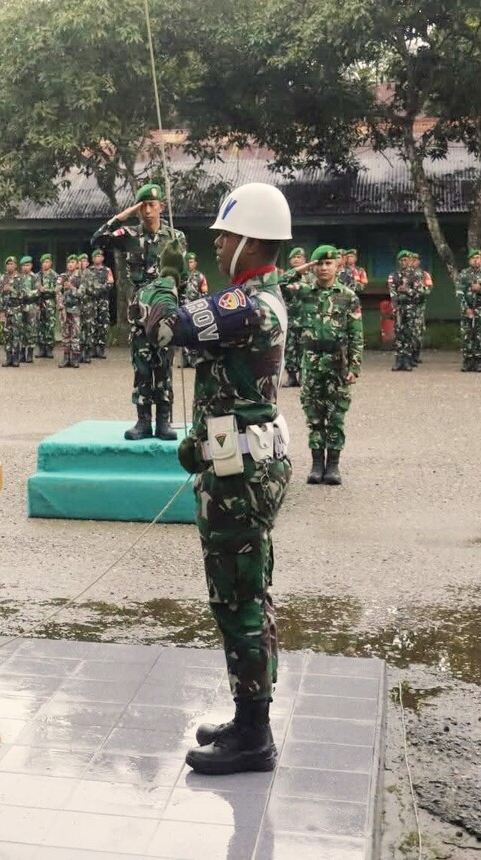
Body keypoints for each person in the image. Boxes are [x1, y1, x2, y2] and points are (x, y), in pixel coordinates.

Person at [137, 182, 292, 775]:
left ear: (250, 240)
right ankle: (250, 715)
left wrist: (159, 275)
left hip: (242, 476)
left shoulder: (245, 304)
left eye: (225, 235)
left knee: (237, 598)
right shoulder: (255, 300)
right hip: (242, 461)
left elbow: (165, 328)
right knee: (249, 592)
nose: (219, 245)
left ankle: (254, 736)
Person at [93, 183, 186, 441]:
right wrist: (124, 215)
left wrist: (184, 315)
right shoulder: (129, 236)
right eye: (142, 205)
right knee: (142, 367)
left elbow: (184, 278)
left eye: (151, 205)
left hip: (165, 311)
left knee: (164, 366)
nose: (147, 211)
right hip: (140, 313)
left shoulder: (176, 238)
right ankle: (143, 422)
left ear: (161, 207)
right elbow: (98, 240)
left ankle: (164, 421)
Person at [299, 245, 363, 485]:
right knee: (314, 415)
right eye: (319, 264)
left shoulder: (348, 296)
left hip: (338, 363)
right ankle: (317, 464)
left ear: (337, 266)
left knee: (336, 415)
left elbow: (356, 334)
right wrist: (303, 268)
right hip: (312, 362)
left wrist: (354, 368)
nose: (324, 268)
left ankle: (333, 465)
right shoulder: (305, 292)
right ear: (313, 267)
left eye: (328, 263)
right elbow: (279, 283)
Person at [279, 247, 314, 387]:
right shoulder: (285, 276)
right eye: (293, 257)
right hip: (290, 319)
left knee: (305, 348)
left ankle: (304, 376)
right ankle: (292, 376)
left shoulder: (312, 277)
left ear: (305, 260)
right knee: (289, 349)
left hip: (306, 319)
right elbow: (279, 283)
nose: (296, 259)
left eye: (299, 257)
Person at [387, 250, 425, 372]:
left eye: (406, 260)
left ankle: (407, 360)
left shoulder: (416, 275)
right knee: (399, 335)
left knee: (409, 334)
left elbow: (421, 293)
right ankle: (399, 361)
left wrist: (408, 291)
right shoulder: (394, 275)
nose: (403, 262)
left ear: (410, 261)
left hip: (411, 308)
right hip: (399, 308)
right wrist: (395, 307)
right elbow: (392, 293)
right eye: (401, 260)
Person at [456, 249, 481, 372]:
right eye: (473, 258)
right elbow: (459, 293)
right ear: (469, 261)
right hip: (468, 308)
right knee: (467, 335)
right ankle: (467, 360)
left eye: (478, 258)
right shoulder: (463, 274)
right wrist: (466, 308)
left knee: (480, 335)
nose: (476, 260)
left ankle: (478, 360)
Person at [179, 253, 210, 368]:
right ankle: (184, 360)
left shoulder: (200, 276)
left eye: (191, 261)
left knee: (194, 333)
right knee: (182, 333)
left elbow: (204, 293)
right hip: (182, 308)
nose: (189, 264)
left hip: (194, 309)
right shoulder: (182, 276)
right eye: (187, 261)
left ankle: (194, 359)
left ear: (195, 263)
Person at [85, 248, 114, 359]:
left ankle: (101, 348)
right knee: (92, 323)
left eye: (100, 256)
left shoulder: (107, 270)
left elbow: (111, 284)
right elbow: (87, 285)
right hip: (91, 300)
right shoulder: (88, 271)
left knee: (103, 324)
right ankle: (91, 348)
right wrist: (97, 290)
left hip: (103, 301)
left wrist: (99, 289)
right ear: (92, 259)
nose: (98, 258)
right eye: (96, 256)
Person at [58, 255, 84, 368]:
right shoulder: (62, 276)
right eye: (68, 262)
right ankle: (66, 357)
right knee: (65, 334)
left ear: (77, 264)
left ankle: (75, 358)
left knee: (75, 334)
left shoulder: (81, 277)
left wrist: (72, 287)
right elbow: (57, 291)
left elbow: (82, 294)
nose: (70, 264)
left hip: (76, 309)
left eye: (72, 262)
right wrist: (60, 306)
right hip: (64, 310)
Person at [0, 256, 24, 367]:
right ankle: (8, 357)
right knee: (7, 334)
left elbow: (24, 294)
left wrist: (12, 290)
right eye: (8, 264)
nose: (10, 265)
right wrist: (0, 311)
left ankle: (16, 357)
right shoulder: (2, 278)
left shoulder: (21, 278)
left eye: (12, 263)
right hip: (6, 309)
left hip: (17, 309)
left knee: (16, 334)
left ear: (15, 265)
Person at [411, 251, 434, 365]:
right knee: (406, 332)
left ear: (419, 262)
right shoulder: (404, 275)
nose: (413, 262)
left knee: (418, 332)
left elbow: (428, 290)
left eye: (415, 260)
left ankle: (416, 354)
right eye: (411, 260)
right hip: (406, 307)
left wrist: (417, 290)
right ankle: (407, 355)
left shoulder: (424, 275)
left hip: (419, 308)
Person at [35, 253, 59, 358]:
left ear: (51, 263)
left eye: (47, 262)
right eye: (44, 262)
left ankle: (49, 348)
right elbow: (32, 288)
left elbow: (57, 289)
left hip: (50, 302)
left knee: (50, 325)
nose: (45, 264)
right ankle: (41, 348)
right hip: (40, 302)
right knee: (41, 325)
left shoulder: (55, 275)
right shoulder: (37, 276)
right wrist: (38, 290)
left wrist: (47, 290)